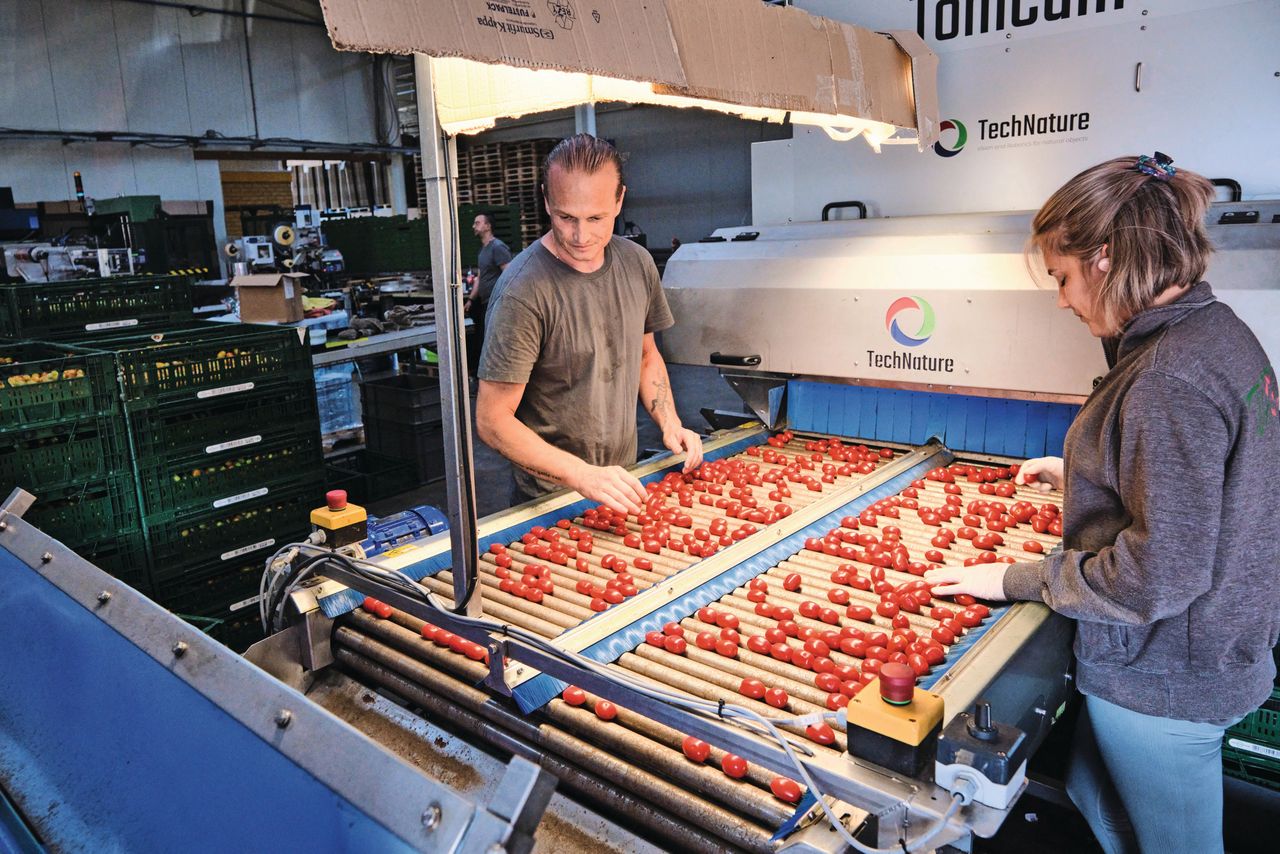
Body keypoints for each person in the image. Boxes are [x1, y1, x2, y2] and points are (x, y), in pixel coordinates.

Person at [927, 153, 1279, 854]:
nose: (1061, 298)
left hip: (1168, 680)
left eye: (1062, 276)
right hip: (1207, 649)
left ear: (1106, 259)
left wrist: (1015, 579)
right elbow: (1213, 481)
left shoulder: (1168, 376)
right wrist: (1090, 475)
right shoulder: (1215, 333)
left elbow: (1161, 574)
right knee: (1094, 799)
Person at [475, 134, 704, 513]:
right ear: (547, 201)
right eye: (566, 217)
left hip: (621, 484)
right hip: (549, 503)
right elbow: (491, 419)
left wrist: (670, 421)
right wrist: (580, 474)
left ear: (620, 200)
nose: (581, 236)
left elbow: (646, 356)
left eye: (596, 218)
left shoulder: (637, 263)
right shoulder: (523, 291)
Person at [464, 212, 511, 375]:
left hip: (497, 302)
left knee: (495, 340)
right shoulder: (483, 250)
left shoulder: (497, 247)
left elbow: (509, 275)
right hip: (486, 302)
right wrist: (470, 299)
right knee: (485, 339)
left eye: (477, 223)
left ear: (487, 226)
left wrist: (503, 300)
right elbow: (480, 277)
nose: (474, 226)